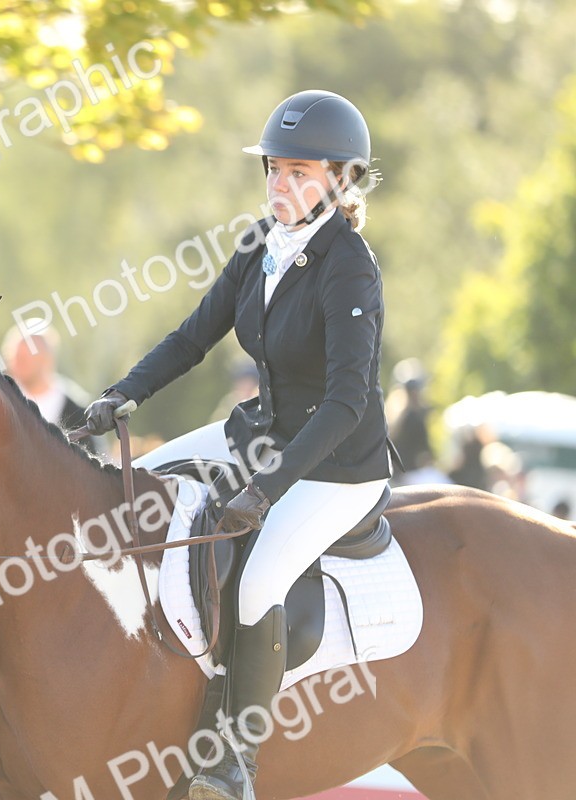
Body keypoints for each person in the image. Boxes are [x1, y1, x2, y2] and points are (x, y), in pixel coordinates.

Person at [85, 90, 392, 800]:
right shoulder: (260, 243)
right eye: (273, 170)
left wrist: (267, 488)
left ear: (339, 181)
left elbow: (348, 400)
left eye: (297, 173)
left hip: (335, 464)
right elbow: (194, 337)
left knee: (259, 581)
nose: (279, 187)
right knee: (137, 492)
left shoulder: (350, 267)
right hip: (260, 432)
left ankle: (234, 761)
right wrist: (120, 397)